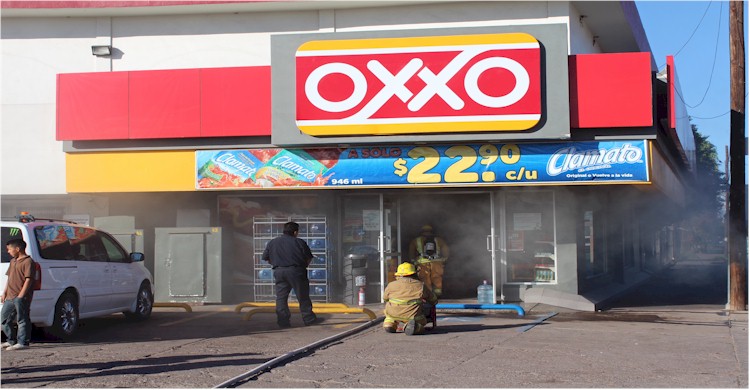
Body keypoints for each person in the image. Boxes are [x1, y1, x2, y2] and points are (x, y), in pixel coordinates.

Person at [262, 221, 319, 328]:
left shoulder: (273, 242)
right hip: (296, 271)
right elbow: (309, 257)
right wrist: (302, 267)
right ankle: (309, 319)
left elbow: (266, 258)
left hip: (279, 271)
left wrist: (277, 264)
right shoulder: (299, 242)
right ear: (295, 232)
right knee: (303, 296)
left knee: (281, 298)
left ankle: (283, 322)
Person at [382, 262, 437, 335]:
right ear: (414, 274)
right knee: (421, 321)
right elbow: (434, 300)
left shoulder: (391, 285)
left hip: (393, 314)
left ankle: (389, 324)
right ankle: (414, 327)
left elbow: (385, 298)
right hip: (413, 316)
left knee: (389, 314)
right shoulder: (420, 285)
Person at [1, 239, 36, 350]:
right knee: (4, 319)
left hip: (21, 296)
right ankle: (11, 340)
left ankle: (23, 342)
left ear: (17, 249)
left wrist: (21, 295)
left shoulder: (28, 262)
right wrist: (4, 292)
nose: (8, 251)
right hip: (10, 296)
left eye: (10, 249)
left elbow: (29, 279)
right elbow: (9, 278)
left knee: (22, 319)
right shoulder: (13, 261)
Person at [408, 224, 450, 297]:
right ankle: (438, 294)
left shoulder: (416, 240)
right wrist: (444, 259)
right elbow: (446, 250)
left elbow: (411, 252)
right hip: (437, 262)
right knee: (437, 277)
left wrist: (413, 261)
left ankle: (428, 295)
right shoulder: (439, 240)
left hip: (422, 263)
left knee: (425, 279)